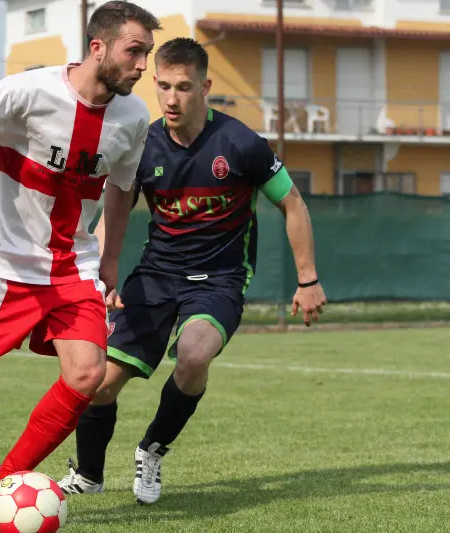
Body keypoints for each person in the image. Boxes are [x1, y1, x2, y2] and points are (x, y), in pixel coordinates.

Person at [0, 2, 162, 531]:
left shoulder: (133, 118)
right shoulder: (27, 91)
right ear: (98, 47)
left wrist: (108, 262)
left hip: (71, 268)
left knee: (86, 374)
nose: (142, 67)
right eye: (135, 52)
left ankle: (9, 478)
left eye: (147, 55)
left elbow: (123, 188)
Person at [57, 37, 328, 505]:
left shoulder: (242, 144)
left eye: (182, 87)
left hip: (219, 279)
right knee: (97, 382)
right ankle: (89, 474)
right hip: (157, 273)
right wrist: (105, 271)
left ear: (205, 87)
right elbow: (118, 204)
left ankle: (152, 449)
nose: (170, 98)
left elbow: (293, 203)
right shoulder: (142, 144)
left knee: (194, 356)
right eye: (162, 86)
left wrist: (308, 279)